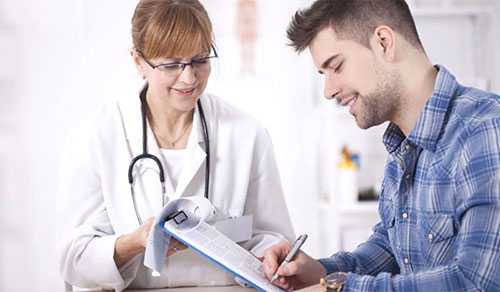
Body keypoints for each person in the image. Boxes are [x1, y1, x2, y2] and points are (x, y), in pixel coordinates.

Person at [263, 0, 500, 291]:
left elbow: (478, 282)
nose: (329, 91)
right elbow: (390, 249)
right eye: (324, 75)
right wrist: (322, 270)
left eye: (336, 66)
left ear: (384, 42)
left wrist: (338, 288)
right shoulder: (402, 145)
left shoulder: (485, 131)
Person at [57, 0, 294, 290]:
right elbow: (73, 258)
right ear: (137, 61)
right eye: (171, 64)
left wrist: (273, 258)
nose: (189, 77)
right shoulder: (101, 136)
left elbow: (272, 237)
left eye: (200, 60)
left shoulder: (246, 134)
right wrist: (135, 242)